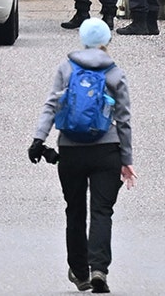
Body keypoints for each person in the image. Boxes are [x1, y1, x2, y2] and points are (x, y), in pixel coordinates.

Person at [30, 18, 136, 294]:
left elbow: (52, 104)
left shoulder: (67, 68)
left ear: (82, 39)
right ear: (106, 41)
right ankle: (99, 267)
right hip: (106, 150)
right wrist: (126, 159)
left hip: (71, 149)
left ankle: (79, 272)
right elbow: (123, 119)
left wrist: (38, 139)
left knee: (74, 211)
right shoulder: (115, 73)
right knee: (102, 211)